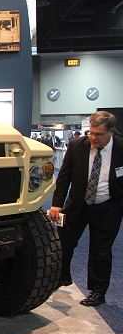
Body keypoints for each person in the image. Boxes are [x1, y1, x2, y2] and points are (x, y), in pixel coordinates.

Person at [49, 111, 123, 307]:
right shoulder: (77, 146)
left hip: (108, 207)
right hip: (77, 205)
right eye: (91, 132)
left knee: (101, 250)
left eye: (98, 134)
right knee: (64, 242)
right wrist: (56, 204)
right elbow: (64, 177)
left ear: (110, 132)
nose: (92, 137)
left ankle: (98, 291)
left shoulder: (121, 147)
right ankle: (61, 277)